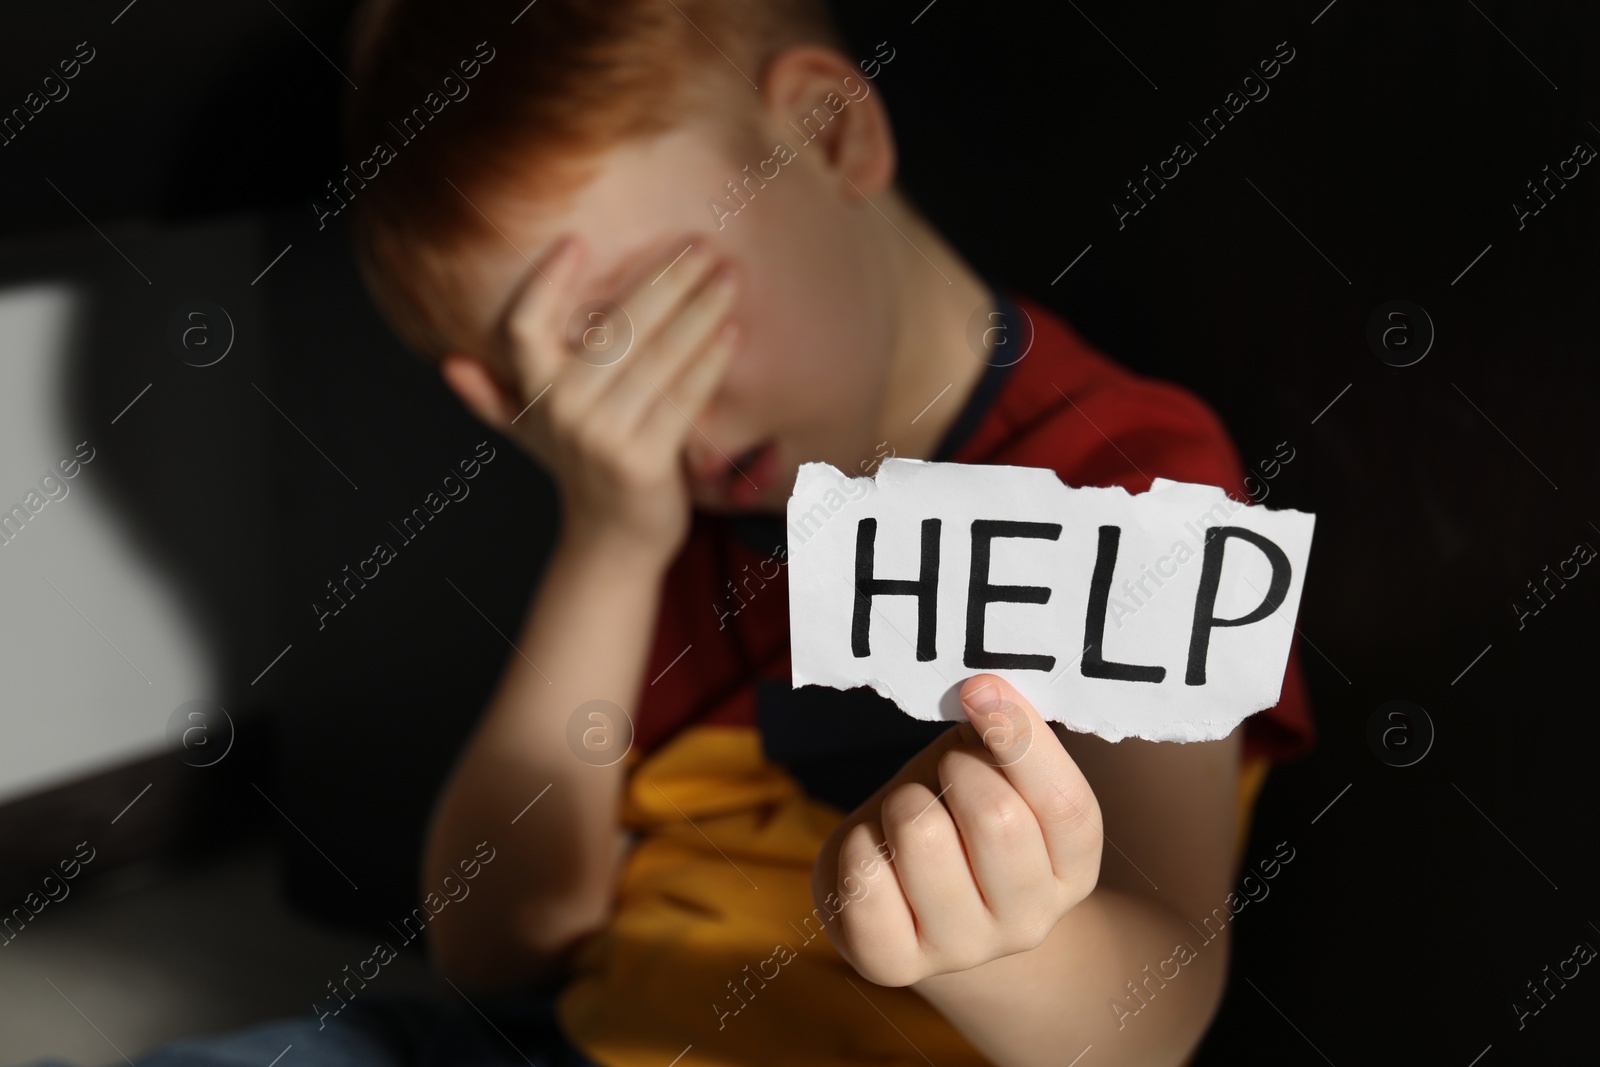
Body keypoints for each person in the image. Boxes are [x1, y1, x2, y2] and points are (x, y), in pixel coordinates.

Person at [99, 1, 1313, 1064]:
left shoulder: (1126, 485)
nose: (651, 416)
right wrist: (611, 533)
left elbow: (1156, 1003)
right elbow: (493, 934)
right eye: (561, 384)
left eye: (652, 319)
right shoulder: (669, 509)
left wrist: (991, 943)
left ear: (832, 132)